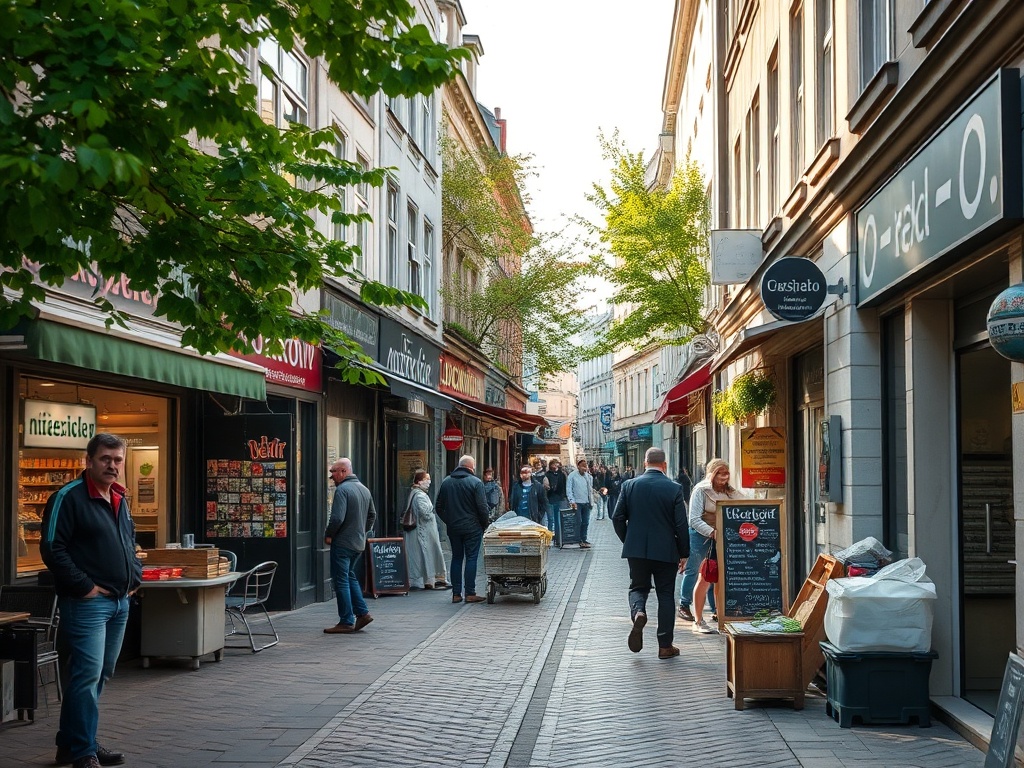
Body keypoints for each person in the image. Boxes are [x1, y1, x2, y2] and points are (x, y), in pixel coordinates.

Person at [41, 432, 141, 768]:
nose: (112, 466)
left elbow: (130, 542)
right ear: (89, 460)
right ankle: (84, 751)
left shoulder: (119, 497)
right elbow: (52, 548)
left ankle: (71, 744)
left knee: (99, 675)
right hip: (87, 604)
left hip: (119, 602)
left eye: (117, 460)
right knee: (86, 675)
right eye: (105, 459)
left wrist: (134, 578)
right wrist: (85, 586)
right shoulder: (67, 497)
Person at [611, 447, 689, 659]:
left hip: (637, 550)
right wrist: (684, 553)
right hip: (666, 551)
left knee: (638, 587)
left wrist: (629, 540)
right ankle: (665, 646)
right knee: (665, 595)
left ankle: (639, 612)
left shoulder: (629, 485)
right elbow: (681, 525)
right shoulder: (674, 488)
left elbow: (617, 518)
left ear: (645, 464)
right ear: (664, 465)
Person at [681, 458, 741, 634]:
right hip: (703, 538)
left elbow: (743, 505)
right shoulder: (701, 490)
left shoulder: (730, 492)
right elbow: (693, 519)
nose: (724, 478)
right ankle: (694, 615)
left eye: (726, 474)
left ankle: (719, 614)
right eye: (720, 474)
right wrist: (713, 532)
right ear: (712, 474)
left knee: (721, 578)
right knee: (702, 575)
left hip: (724, 539)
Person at [324, 458, 376, 634]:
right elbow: (372, 516)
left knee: (341, 580)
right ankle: (362, 613)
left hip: (343, 542)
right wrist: (362, 531)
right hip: (357, 543)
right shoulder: (364, 489)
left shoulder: (343, 490)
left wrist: (329, 534)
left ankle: (346, 620)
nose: (332, 477)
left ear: (343, 471)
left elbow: (337, 518)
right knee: (350, 576)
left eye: (334, 472)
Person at [435, 455, 489, 604]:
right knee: (471, 558)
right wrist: (484, 524)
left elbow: (438, 507)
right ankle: (470, 593)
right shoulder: (476, 483)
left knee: (456, 558)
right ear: (471, 467)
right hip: (472, 527)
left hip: (454, 528)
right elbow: (483, 508)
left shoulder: (446, 482)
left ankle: (456, 594)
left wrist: (449, 520)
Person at [401, 469, 450, 590]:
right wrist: (432, 511)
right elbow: (425, 513)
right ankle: (427, 580)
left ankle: (430, 579)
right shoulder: (419, 496)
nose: (429, 482)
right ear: (419, 481)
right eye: (426, 479)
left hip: (422, 531)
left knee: (424, 555)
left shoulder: (416, 493)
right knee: (426, 555)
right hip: (423, 531)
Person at [566, 458, 594, 548]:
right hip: (577, 502)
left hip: (586, 503)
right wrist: (572, 501)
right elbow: (569, 489)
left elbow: (590, 489)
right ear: (578, 466)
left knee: (586, 521)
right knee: (578, 521)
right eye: (582, 466)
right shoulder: (572, 476)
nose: (584, 468)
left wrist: (591, 502)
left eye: (585, 467)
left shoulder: (588, 476)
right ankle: (578, 539)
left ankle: (584, 539)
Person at [543, 459, 568, 540]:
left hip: (560, 498)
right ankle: (550, 535)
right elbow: (545, 486)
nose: (555, 466)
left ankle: (559, 536)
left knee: (559, 518)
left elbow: (565, 485)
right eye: (553, 464)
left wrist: (565, 496)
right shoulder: (547, 474)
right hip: (550, 498)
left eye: (556, 464)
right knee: (551, 519)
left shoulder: (562, 474)